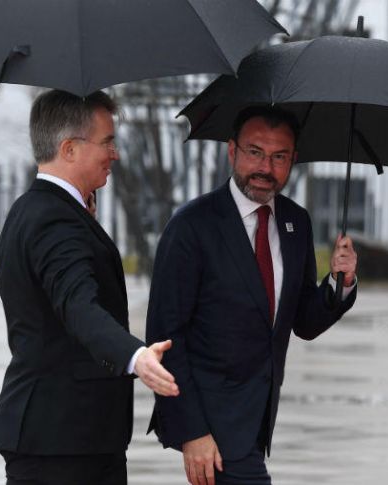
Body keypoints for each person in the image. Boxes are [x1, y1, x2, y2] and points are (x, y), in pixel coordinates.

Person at [146, 106, 359, 485]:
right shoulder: (192, 226)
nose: (266, 167)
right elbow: (165, 337)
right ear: (232, 151)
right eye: (255, 152)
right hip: (211, 423)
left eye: (279, 157)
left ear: (293, 160)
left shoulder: (296, 223)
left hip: (258, 418)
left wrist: (339, 282)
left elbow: (304, 322)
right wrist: (191, 430)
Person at [0, 89, 179, 485]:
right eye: (107, 142)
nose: (116, 154)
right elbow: (79, 306)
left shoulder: (40, 209)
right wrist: (135, 356)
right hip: (63, 443)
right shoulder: (54, 222)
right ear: (69, 148)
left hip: (66, 435)